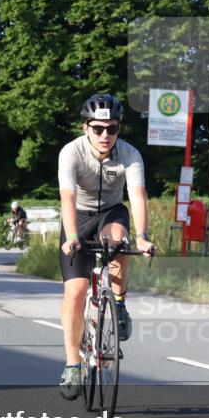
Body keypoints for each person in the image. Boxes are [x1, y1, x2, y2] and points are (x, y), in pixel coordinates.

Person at [56, 94, 155, 400]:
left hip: (111, 212)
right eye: (98, 129)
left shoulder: (129, 154)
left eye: (111, 129)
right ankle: (73, 363)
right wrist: (72, 236)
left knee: (118, 242)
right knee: (75, 291)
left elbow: (137, 196)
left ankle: (119, 303)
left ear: (118, 129)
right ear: (86, 127)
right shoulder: (70, 153)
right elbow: (68, 198)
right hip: (79, 217)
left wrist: (142, 236)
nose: (105, 136)